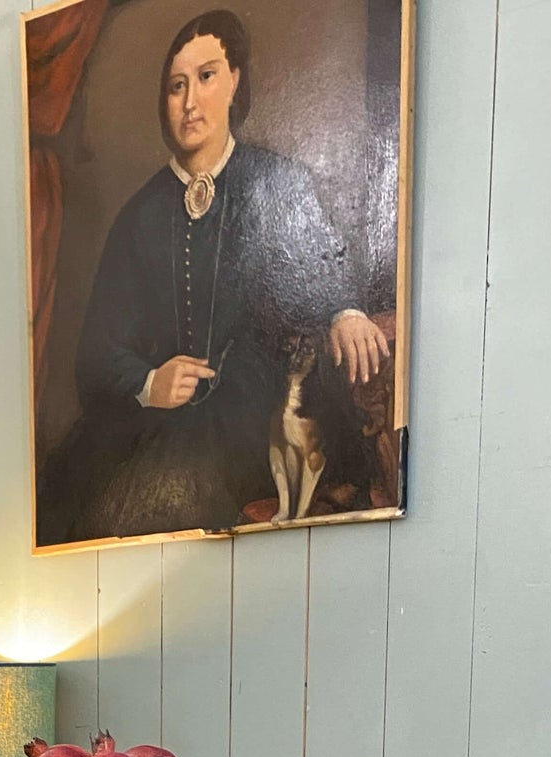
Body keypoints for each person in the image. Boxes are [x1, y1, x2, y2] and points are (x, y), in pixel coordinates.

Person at [37, 9, 389, 545]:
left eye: (206, 77)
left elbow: (320, 264)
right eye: (176, 86)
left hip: (255, 410)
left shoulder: (279, 181)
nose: (190, 101)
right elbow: (97, 355)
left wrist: (345, 311)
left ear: (235, 84)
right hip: (154, 421)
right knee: (92, 509)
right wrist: (150, 382)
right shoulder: (139, 216)